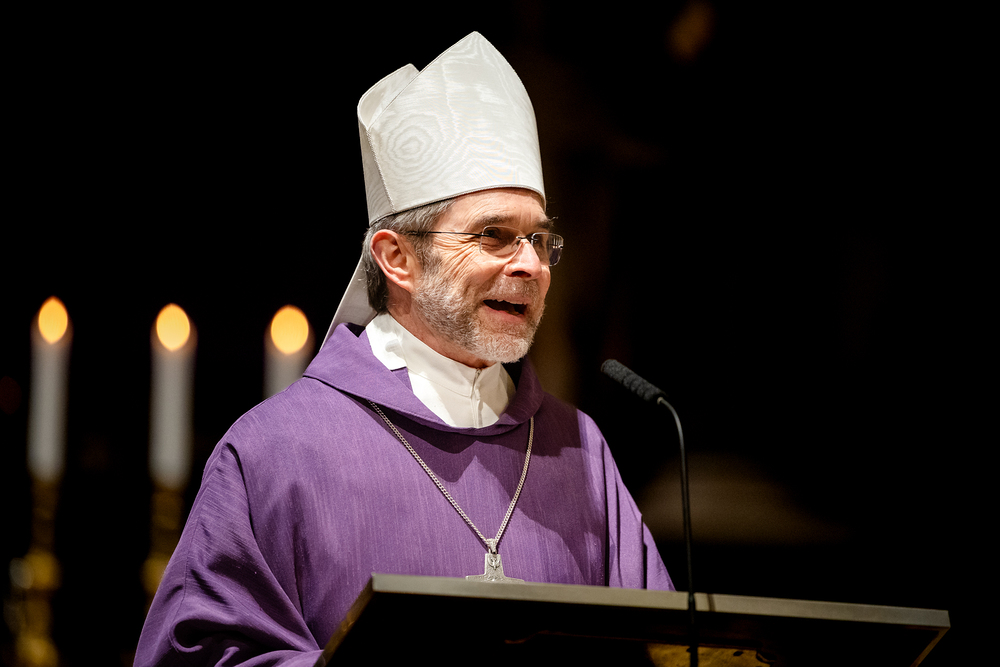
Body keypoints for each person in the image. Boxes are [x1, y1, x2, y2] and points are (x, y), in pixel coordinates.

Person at [135, 32, 673, 666]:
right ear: (397, 258)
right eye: (494, 235)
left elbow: (663, 650)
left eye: (539, 239)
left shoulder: (578, 449)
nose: (530, 265)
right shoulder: (278, 451)